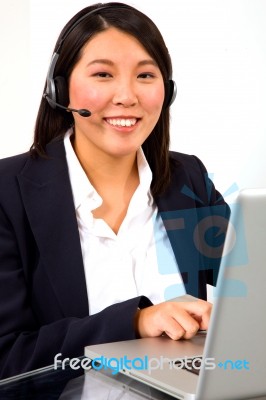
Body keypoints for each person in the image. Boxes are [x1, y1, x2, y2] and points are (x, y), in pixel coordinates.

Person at [0, 2, 230, 379]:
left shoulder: (188, 179)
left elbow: (249, 288)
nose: (127, 96)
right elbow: (7, 357)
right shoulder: (7, 193)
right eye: (103, 74)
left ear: (166, 91)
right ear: (61, 87)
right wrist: (136, 322)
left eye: (145, 75)